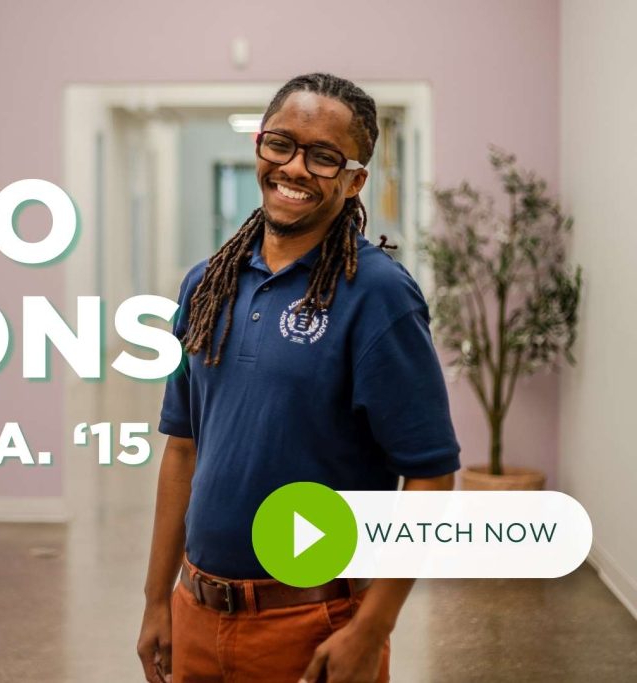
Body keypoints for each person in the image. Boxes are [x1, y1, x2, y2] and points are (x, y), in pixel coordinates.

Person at [136, 73, 460, 683]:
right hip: (196, 611)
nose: (294, 168)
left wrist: (372, 629)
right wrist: (158, 600)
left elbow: (430, 473)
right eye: (280, 144)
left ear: (354, 178)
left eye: (323, 156)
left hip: (316, 624)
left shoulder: (379, 295)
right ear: (260, 145)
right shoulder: (205, 285)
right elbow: (182, 448)